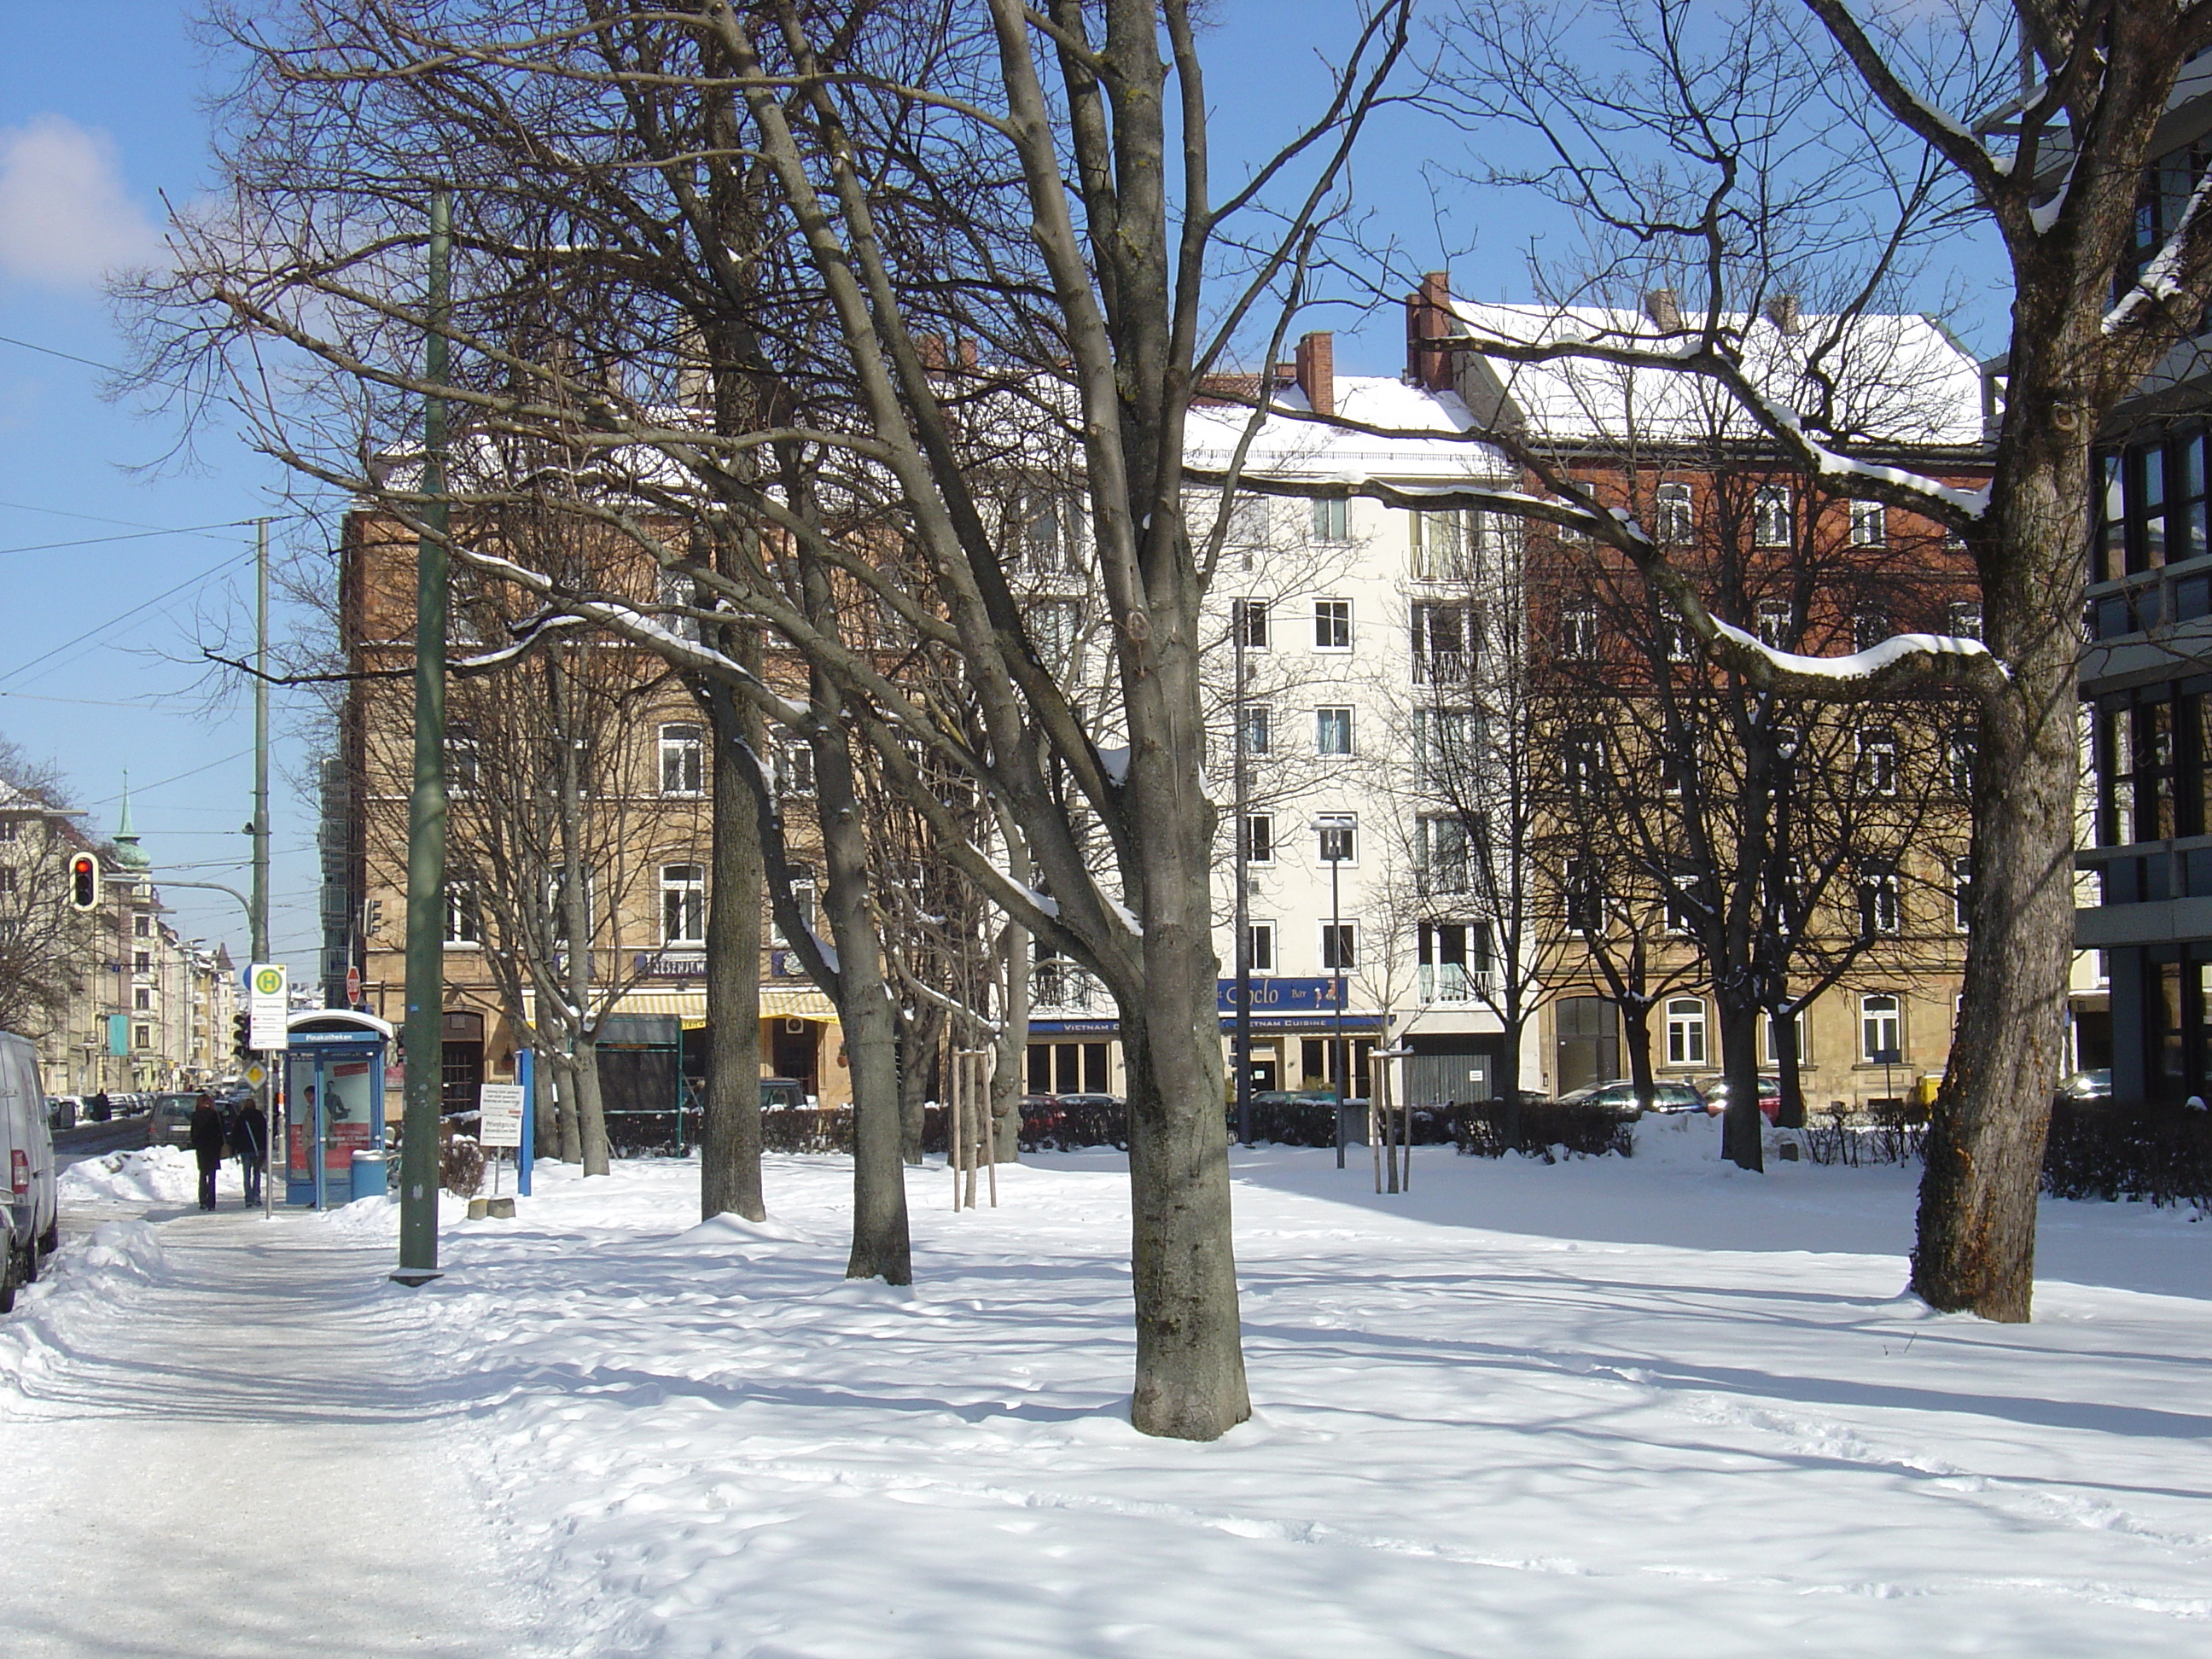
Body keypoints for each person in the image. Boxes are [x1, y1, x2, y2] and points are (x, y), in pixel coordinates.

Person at [188, 1091, 226, 1212]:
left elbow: (193, 1133)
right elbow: (220, 1131)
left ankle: (203, 1200)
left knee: (203, 1174)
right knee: (212, 1175)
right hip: (213, 1148)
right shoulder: (214, 1115)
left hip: (202, 1149)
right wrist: (220, 1145)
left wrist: (197, 1144)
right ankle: (211, 1202)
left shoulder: (196, 1115)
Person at [229, 1094, 267, 1208]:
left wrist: (235, 1149)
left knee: (246, 1174)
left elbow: (235, 1135)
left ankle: (248, 1198)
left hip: (245, 1150)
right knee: (257, 1173)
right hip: (258, 1150)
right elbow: (265, 1132)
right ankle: (257, 1196)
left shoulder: (241, 1117)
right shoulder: (259, 1116)